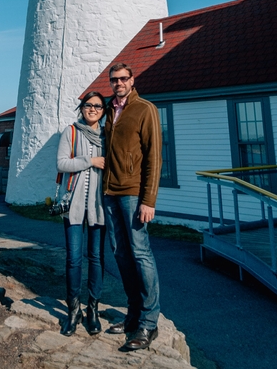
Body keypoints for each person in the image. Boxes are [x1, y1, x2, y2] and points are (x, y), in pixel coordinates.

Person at [103, 62, 162, 351]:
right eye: (114, 80)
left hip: (132, 193)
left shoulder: (144, 109)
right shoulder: (107, 110)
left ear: (132, 79)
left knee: (141, 253)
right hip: (109, 191)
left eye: (124, 79)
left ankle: (149, 323)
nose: (119, 83)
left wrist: (148, 200)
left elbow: (154, 157)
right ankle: (133, 314)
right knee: (120, 252)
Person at [56, 91, 106, 337]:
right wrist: (90, 160)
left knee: (96, 257)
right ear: (82, 108)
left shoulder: (107, 135)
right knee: (74, 259)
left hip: (99, 207)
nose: (93, 109)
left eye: (97, 106)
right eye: (88, 105)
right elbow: (61, 163)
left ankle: (93, 309)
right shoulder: (71, 131)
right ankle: (73, 310)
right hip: (73, 206)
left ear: (103, 110)